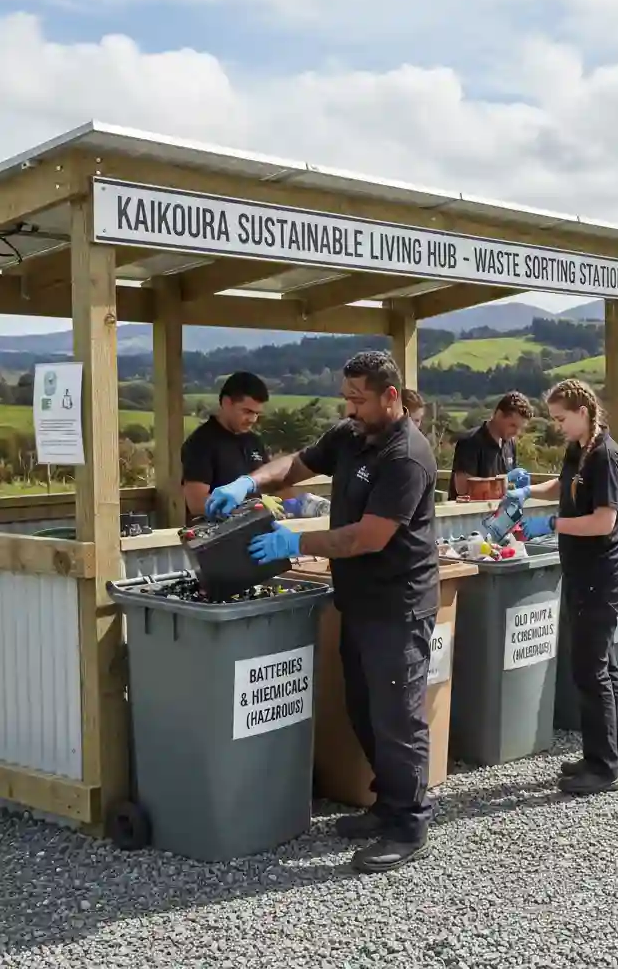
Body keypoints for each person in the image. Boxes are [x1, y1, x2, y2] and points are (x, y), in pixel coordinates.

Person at [205, 351, 439, 874]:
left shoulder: (406, 455)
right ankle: (386, 805)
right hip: (357, 601)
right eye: (346, 397)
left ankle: (408, 824)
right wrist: (249, 482)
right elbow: (298, 464)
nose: (350, 407)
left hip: (398, 604)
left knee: (397, 717)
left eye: (359, 399)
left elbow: (369, 536)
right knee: (363, 707)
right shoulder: (352, 435)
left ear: (391, 396)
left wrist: (295, 540)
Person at [509, 379, 618, 795]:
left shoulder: (606, 457)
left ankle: (603, 767)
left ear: (584, 411)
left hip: (602, 574)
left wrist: (552, 524)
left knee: (589, 669)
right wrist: (526, 491)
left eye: (562, 419)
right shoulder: (579, 450)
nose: (558, 426)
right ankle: (610, 752)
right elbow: (564, 486)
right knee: (603, 666)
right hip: (584, 573)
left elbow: (604, 521)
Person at [180, 371, 271, 520]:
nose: (253, 419)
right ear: (226, 403)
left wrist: (297, 501)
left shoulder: (254, 441)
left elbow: (272, 483)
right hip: (217, 536)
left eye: (257, 413)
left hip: (257, 531)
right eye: (247, 411)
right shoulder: (200, 443)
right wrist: (248, 509)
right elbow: (196, 503)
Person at [448, 391, 533, 499]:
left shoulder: (510, 443)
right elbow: (463, 489)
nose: (516, 432)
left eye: (520, 428)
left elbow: (509, 487)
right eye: (513, 425)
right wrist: (502, 484)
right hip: (470, 514)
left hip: (498, 513)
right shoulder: (470, 442)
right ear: (499, 415)